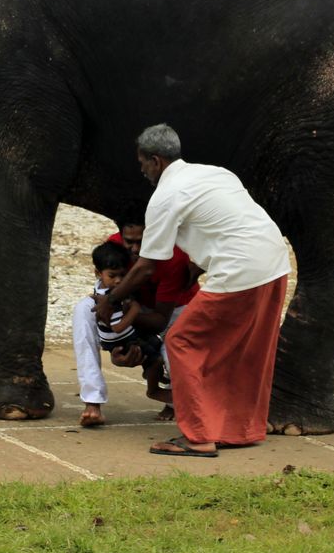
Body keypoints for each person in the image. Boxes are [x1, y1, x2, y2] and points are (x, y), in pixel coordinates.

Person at [97, 124, 290, 457]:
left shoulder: (164, 197)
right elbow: (230, 221)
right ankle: (238, 429)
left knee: (181, 341)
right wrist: (196, 266)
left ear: (155, 161)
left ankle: (198, 436)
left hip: (239, 271)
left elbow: (146, 265)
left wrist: (110, 299)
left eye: (142, 163)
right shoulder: (216, 174)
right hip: (274, 261)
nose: (142, 170)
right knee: (244, 348)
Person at [72, 206, 199, 427]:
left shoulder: (174, 257)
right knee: (84, 309)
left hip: (174, 311)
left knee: (172, 348)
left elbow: (159, 320)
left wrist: (122, 326)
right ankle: (92, 402)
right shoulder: (114, 248)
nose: (135, 248)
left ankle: (172, 397)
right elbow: (104, 293)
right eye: (129, 241)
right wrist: (115, 344)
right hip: (128, 308)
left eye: (141, 241)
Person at [90, 241, 163, 368]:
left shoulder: (100, 286)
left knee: (156, 343)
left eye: (123, 275)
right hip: (121, 338)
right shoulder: (108, 296)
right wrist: (134, 309)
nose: (118, 281)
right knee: (155, 359)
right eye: (112, 276)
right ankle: (153, 386)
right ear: (98, 273)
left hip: (122, 334)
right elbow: (118, 327)